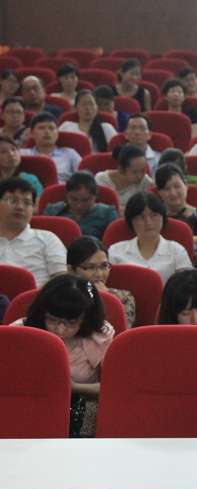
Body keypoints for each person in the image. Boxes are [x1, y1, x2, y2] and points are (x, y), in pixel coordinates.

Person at [14, 274, 114, 437]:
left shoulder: (98, 336)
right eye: (53, 320)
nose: (60, 329)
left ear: (85, 318)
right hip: (26, 403)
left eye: (71, 322)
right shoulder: (21, 333)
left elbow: (114, 388)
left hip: (81, 408)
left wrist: (74, 387)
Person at [108, 192, 192, 283]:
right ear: (131, 221)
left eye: (154, 215)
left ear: (163, 217)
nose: (148, 222)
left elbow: (188, 286)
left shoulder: (176, 250)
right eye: (141, 217)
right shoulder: (115, 251)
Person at [0, 177, 66, 286]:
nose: (20, 207)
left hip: (38, 296)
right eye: (13, 201)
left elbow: (62, 280)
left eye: (27, 203)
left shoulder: (48, 239)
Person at [67, 236, 136, 328]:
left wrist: (106, 298)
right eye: (90, 267)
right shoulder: (60, 296)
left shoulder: (123, 298)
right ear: (71, 270)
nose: (99, 274)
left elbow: (120, 330)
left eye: (104, 266)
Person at [44, 171, 118, 239]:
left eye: (85, 200)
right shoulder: (53, 211)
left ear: (95, 196)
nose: (79, 205)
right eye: (74, 199)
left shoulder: (108, 214)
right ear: (67, 195)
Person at [155, 163, 197, 249]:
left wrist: (174, 241)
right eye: (167, 189)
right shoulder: (155, 217)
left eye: (177, 186)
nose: (173, 193)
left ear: (186, 186)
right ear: (160, 193)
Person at [21, 112, 81, 183]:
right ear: (32, 133)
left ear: (57, 133)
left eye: (51, 128)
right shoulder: (23, 154)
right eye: (41, 128)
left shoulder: (70, 154)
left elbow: (84, 179)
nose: (47, 132)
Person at [95, 144, 153, 214]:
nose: (140, 176)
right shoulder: (102, 180)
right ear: (121, 169)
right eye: (135, 172)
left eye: (143, 171)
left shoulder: (146, 181)